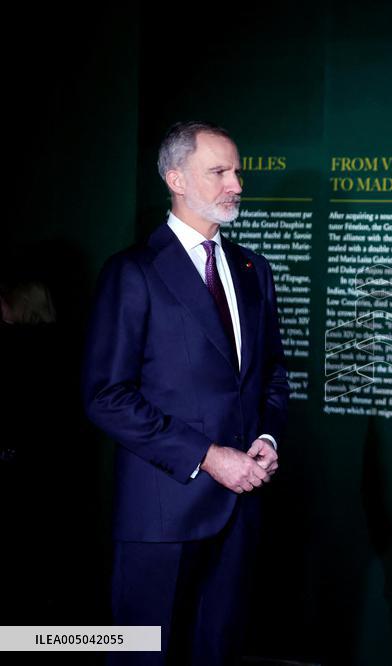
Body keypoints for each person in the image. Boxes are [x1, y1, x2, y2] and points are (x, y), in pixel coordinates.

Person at [83, 121, 289, 665]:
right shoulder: (132, 272)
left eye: (237, 171)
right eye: (219, 171)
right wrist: (206, 455)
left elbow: (270, 374)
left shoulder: (253, 270)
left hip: (240, 511)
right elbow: (106, 395)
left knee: (218, 653)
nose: (236, 184)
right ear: (176, 178)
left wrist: (267, 436)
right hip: (161, 516)